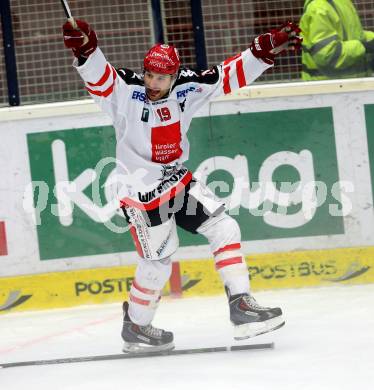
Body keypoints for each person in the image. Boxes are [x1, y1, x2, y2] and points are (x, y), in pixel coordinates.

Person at [62, 19, 301, 353]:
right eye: (149, 75)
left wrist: (262, 51)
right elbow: (101, 78)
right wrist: (86, 50)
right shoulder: (125, 91)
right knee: (158, 262)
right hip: (140, 194)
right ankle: (136, 326)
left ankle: (242, 305)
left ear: (173, 77)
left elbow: (226, 76)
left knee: (224, 225)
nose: (153, 83)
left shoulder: (188, 87)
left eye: (161, 78)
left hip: (176, 181)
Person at [300, 0, 374, 80]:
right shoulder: (319, 7)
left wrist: (371, 40)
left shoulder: (342, 2)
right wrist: (364, 47)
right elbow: (328, 54)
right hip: (328, 87)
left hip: (350, 85)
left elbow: (354, 35)